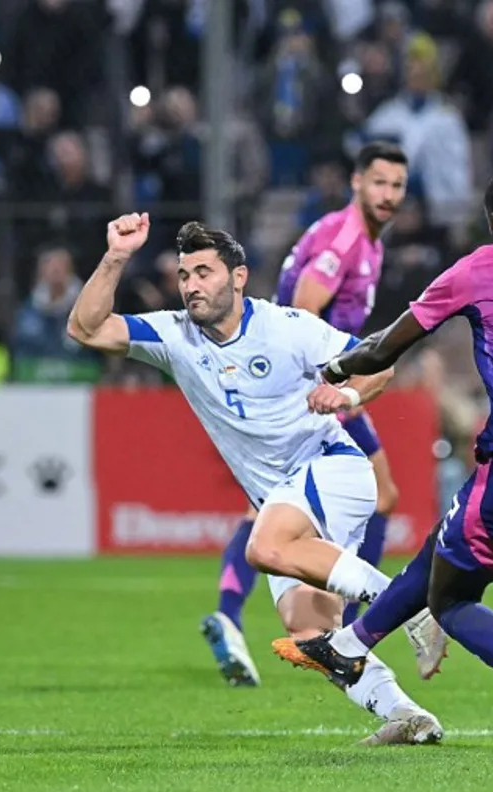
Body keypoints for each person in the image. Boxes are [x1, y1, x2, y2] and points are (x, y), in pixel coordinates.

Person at [271, 166, 493, 755]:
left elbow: (390, 343)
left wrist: (336, 369)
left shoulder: (479, 268)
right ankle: (350, 646)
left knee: (452, 600)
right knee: (443, 547)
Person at [67, 214, 443, 745]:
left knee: (263, 546)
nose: (192, 285)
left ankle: (412, 606)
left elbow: (378, 360)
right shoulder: (174, 335)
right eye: (184, 275)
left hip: (330, 467)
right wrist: (116, 256)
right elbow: (84, 327)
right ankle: (408, 716)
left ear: (238, 277)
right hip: (284, 496)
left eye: (204, 272)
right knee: (312, 632)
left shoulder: (287, 327)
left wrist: (348, 394)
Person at [202, 141, 446, 689]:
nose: (388, 195)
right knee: (375, 494)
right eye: (378, 182)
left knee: (268, 508)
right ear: (356, 182)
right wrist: (330, 381)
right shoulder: (345, 238)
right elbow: (307, 309)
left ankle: (232, 612)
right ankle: (360, 628)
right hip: (314, 389)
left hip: (307, 385)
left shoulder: (361, 238)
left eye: (397, 186)